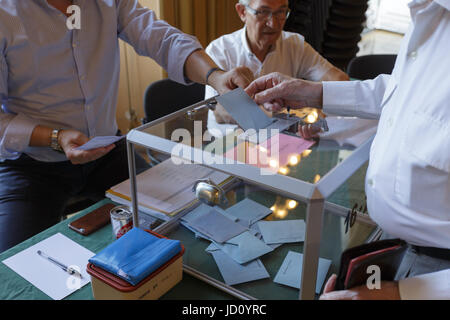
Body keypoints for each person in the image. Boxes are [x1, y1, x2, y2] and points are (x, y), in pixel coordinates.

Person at [0, 0, 254, 253]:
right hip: (30, 164)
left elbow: (163, 39)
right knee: (13, 262)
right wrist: (56, 137)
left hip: (106, 150)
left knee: (181, 224)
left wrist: (215, 76)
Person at [245, 0, 450, 300]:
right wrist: (314, 93)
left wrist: (402, 294)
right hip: (393, 244)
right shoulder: (432, 17)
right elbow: (400, 90)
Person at [205, 0, 352, 137]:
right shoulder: (220, 51)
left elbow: (340, 81)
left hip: (282, 140)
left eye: (280, 12)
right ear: (242, 12)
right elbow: (221, 112)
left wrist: (316, 109)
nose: (273, 23)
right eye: (263, 12)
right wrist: (274, 115)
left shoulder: (294, 44)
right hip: (229, 144)